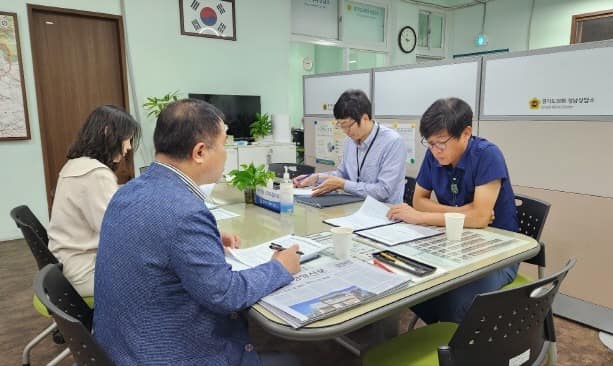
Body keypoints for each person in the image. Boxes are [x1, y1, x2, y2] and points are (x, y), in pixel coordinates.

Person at [93, 99, 302, 366]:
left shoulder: (129, 191)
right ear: (200, 152)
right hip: (162, 354)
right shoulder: (184, 212)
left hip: (119, 348)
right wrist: (280, 267)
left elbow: (158, 242)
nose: (226, 155)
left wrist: (208, 238)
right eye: (224, 146)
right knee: (292, 360)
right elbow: (225, 294)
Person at [387, 97, 518, 324]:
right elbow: (419, 199)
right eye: (429, 143)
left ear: (466, 133)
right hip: (453, 246)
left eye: (441, 143)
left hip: (497, 255)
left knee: (457, 301)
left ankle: (455, 350)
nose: (435, 150)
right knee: (408, 286)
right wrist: (460, 211)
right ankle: (440, 338)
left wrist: (424, 217)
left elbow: (478, 218)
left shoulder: (487, 155)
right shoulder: (433, 155)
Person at [48, 105, 141, 297]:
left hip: (66, 263)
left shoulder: (76, 164)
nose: (129, 147)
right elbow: (119, 233)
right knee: (160, 278)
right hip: (85, 272)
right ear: (108, 133)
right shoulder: (96, 173)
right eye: (127, 139)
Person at [293, 89, 407, 204]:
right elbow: (342, 174)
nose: (345, 131)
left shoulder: (393, 142)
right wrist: (317, 178)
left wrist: (342, 185)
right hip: (352, 206)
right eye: (341, 126)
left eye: (348, 126)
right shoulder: (350, 139)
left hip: (383, 212)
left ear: (365, 119)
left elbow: (383, 191)